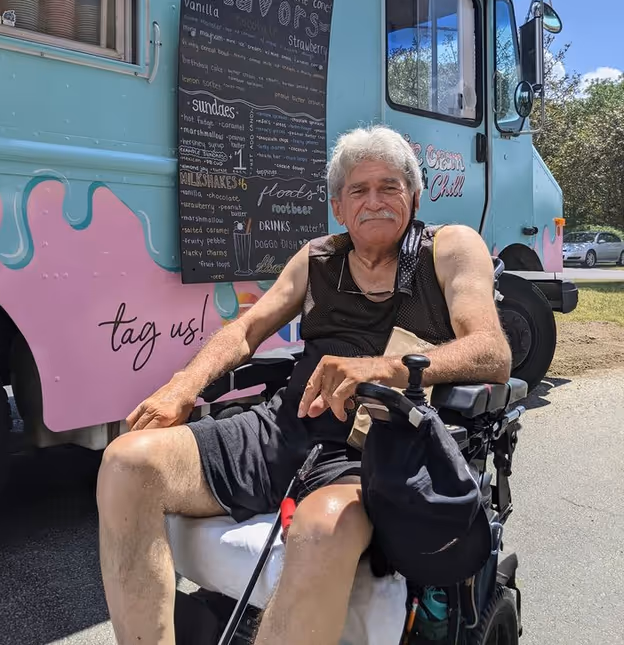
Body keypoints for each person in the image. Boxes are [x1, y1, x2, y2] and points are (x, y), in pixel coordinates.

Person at [97, 124, 512, 645]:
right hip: (281, 429)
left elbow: (492, 352)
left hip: (372, 450)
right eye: (358, 191)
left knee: (321, 528)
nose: (375, 201)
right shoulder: (318, 257)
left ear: (415, 194)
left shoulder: (448, 248)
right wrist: (182, 386)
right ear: (339, 206)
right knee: (127, 463)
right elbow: (247, 329)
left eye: (390, 187)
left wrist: (384, 369)